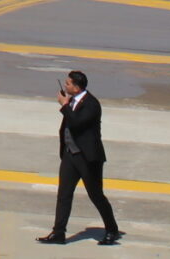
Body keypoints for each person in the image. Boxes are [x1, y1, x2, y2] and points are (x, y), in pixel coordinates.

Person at [40, 69, 122, 245]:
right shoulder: (72, 102)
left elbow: (77, 123)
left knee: (96, 195)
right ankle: (58, 232)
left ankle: (112, 230)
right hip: (71, 155)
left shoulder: (91, 104)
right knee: (64, 194)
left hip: (88, 158)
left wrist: (64, 105)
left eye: (68, 83)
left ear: (76, 88)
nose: (66, 85)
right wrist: (67, 104)